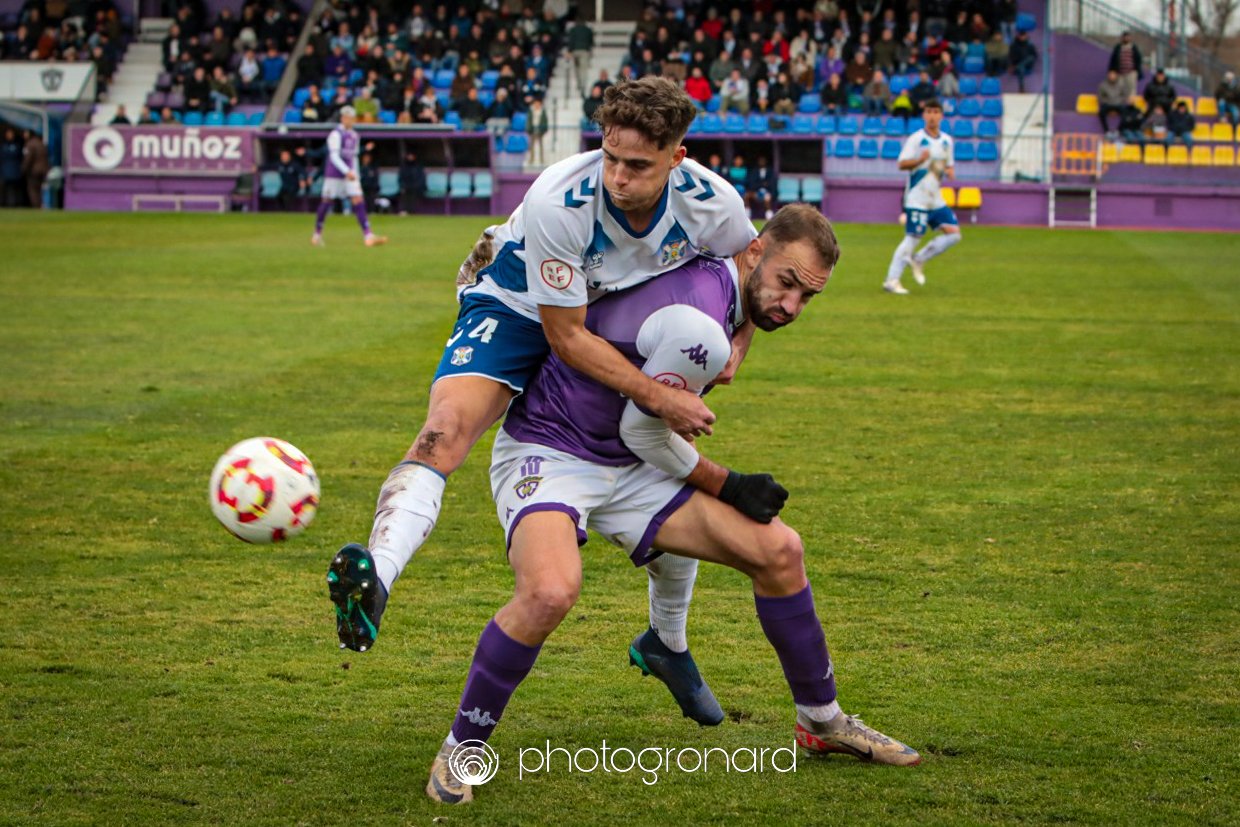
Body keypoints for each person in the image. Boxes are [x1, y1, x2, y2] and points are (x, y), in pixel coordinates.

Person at [424, 206, 921, 803]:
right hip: (553, 452)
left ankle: (821, 722)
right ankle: (462, 748)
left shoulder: (726, 279)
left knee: (780, 552)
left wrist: (749, 330)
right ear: (756, 251)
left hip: (630, 466)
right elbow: (645, 432)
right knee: (549, 591)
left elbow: (649, 431)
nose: (791, 306)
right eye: (787, 284)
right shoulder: (702, 322)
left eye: (806, 298)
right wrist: (730, 483)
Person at [326, 79, 757, 710]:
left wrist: (736, 347)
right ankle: (379, 578)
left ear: (677, 157)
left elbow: (749, 268)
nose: (618, 177)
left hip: (611, 313)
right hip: (521, 301)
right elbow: (563, 336)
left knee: (648, 466)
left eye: (638, 165)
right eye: (610, 157)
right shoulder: (561, 199)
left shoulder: (715, 204)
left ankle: (670, 639)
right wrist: (659, 396)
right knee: (443, 431)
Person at [884, 99, 960, 295]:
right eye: (929, 111)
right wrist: (920, 160)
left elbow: (948, 164)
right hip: (917, 197)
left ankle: (920, 259)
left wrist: (950, 171)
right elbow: (901, 164)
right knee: (912, 238)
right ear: (924, 115)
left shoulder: (947, 141)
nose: (932, 116)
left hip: (935, 198)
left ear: (941, 115)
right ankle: (892, 280)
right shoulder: (916, 139)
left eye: (936, 111)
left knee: (954, 234)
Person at [310, 106, 388, 247]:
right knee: (327, 201)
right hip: (334, 174)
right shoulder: (335, 134)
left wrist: (354, 173)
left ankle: (368, 235)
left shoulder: (354, 135)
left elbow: (354, 157)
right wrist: (347, 171)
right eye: (347, 117)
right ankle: (317, 233)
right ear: (342, 118)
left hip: (349, 174)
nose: (349, 120)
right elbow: (333, 156)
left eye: (351, 117)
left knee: (358, 198)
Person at [1108, 31, 1143, 101]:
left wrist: (1136, 71)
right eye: (1125, 37)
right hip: (1119, 73)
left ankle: (1131, 106)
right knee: (1118, 89)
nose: (1126, 38)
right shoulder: (1118, 48)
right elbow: (1113, 60)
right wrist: (1112, 71)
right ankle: (1120, 106)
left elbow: (1138, 60)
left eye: (1128, 37)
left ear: (1130, 38)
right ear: (1122, 38)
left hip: (1131, 73)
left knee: (1132, 90)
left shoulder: (1134, 48)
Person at [21, 130, 48, 209]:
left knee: (33, 189)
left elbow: (28, 159)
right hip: (43, 170)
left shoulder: (30, 144)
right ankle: (41, 204)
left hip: (34, 171)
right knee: (40, 188)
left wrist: (23, 169)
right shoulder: (41, 143)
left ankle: (36, 206)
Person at [1097, 70, 1128, 137]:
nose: (1112, 76)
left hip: (1118, 104)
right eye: (1110, 75)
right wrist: (1107, 101)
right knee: (1101, 112)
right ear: (1108, 75)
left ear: (1116, 75)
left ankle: (1118, 131)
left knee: (1126, 113)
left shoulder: (1121, 84)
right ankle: (1107, 131)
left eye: (1113, 74)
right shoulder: (1103, 84)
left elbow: (1124, 95)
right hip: (1107, 104)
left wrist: (1119, 101)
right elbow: (1100, 97)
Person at [746, 155, 776, 219]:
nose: (762, 162)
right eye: (760, 161)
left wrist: (762, 184)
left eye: (763, 161)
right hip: (756, 192)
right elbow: (752, 184)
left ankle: (769, 216)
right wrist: (762, 184)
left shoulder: (770, 171)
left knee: (767, 198)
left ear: (766, 162)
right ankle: (747, 213)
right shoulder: (754, 171)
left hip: (767, 192)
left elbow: (771, 184)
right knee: (746, 196)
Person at [398, 150, 426, 215]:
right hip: (406, 186)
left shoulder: (418, 166)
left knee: (413, 194)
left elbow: (421, 178)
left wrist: (417, 185)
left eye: (412, 156)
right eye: (409, 156)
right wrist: (402, 186)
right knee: (404, 193)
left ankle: (412, 211)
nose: (410, 158)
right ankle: (404, 210)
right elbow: (400, 178)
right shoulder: (404, 167)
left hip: (415, 186)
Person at [526, 97, 548, 165]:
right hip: (533, 129)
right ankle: (531, 159)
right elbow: (529, 120)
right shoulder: (531, 110)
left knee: (541, 146)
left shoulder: (542, 111)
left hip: (540, 130)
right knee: (531, 146)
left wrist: (544, 129)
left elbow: (545, 121)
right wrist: (529, 128)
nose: (537, 105)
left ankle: (542, 160)